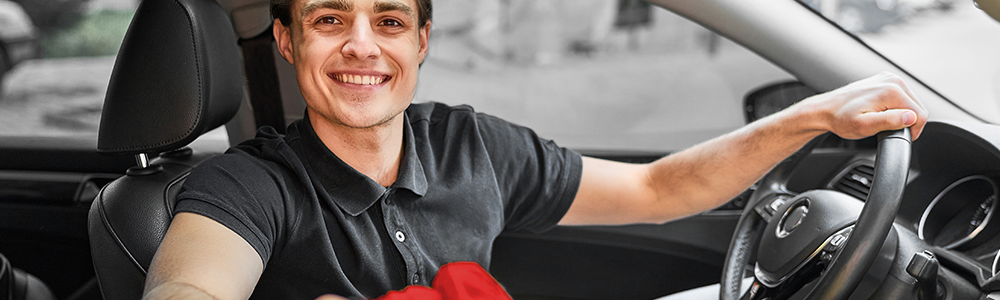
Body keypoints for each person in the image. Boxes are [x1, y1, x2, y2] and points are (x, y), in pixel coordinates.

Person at [141, 0, 929, 299]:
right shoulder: (247, 185)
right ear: (285, 41)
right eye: (327, 20)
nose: (361, 47)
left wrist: (810, 117)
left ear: (421, 43)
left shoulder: (471, 145)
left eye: (387, 21)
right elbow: (187, 291)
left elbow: (659, 191)